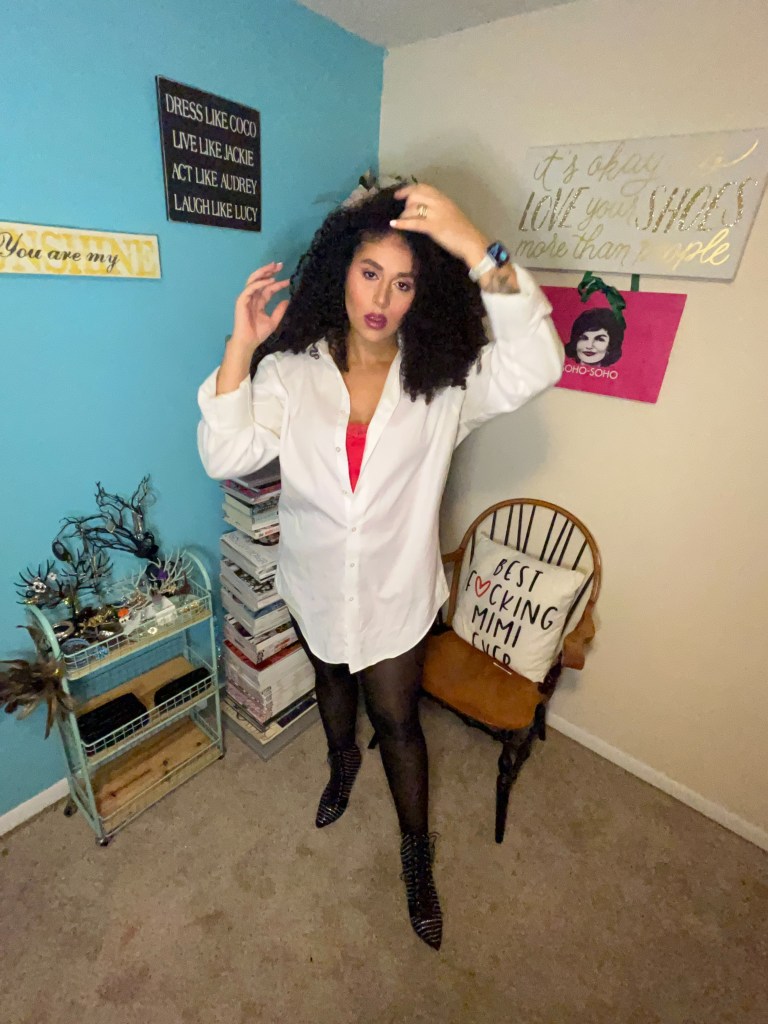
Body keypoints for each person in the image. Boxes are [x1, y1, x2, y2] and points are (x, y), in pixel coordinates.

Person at [197, 182, 564, 950]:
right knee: (332, 682)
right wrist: (241, 345)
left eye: (404, 283)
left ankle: (416, 852)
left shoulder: (447, 381)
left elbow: (538, 361)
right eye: (371, 273)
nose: (382, 299)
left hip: (396, 595)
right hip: (313, 580)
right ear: (342, 269)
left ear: (422, 295)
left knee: (397, 722)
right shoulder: (291, 372)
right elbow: (224, 453)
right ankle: (340, 766)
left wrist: (474, 246)